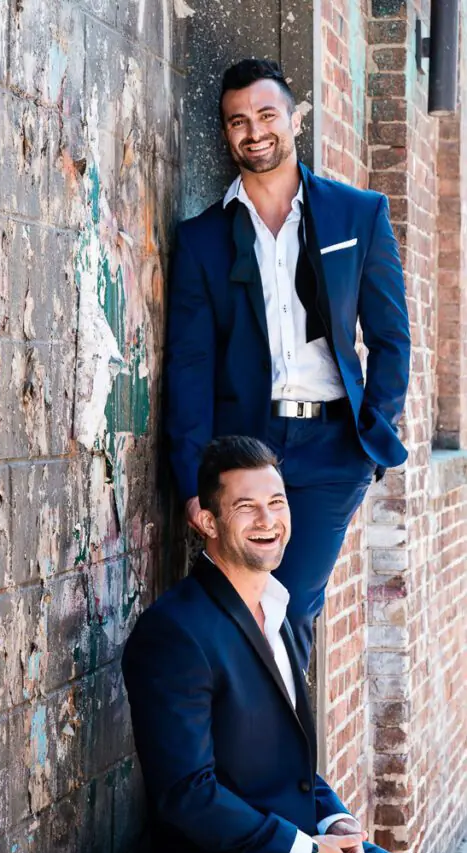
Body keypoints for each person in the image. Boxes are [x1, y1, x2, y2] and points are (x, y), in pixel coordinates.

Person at [122, 436, 467, 853]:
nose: (268, 520)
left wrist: (335, 820)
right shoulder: (175, 632)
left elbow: (285, 759)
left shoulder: (279, 610)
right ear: (207, 521)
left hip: (298, 842)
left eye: (276, 503)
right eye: (246, 507)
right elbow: (186, 797)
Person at [165, 58, 411, 668]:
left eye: (266, 114)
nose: (255, 132)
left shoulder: (359, 215)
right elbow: (190, 366)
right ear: (226, 133)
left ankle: (283, 734)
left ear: (294, 118)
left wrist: (373, 434)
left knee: (292, 606)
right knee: (240, 605)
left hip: (331, 447)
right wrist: (193, 482)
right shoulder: (202, 239)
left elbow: (390, 337)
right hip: (243, 445)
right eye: (238, 121)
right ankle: (257, 731)